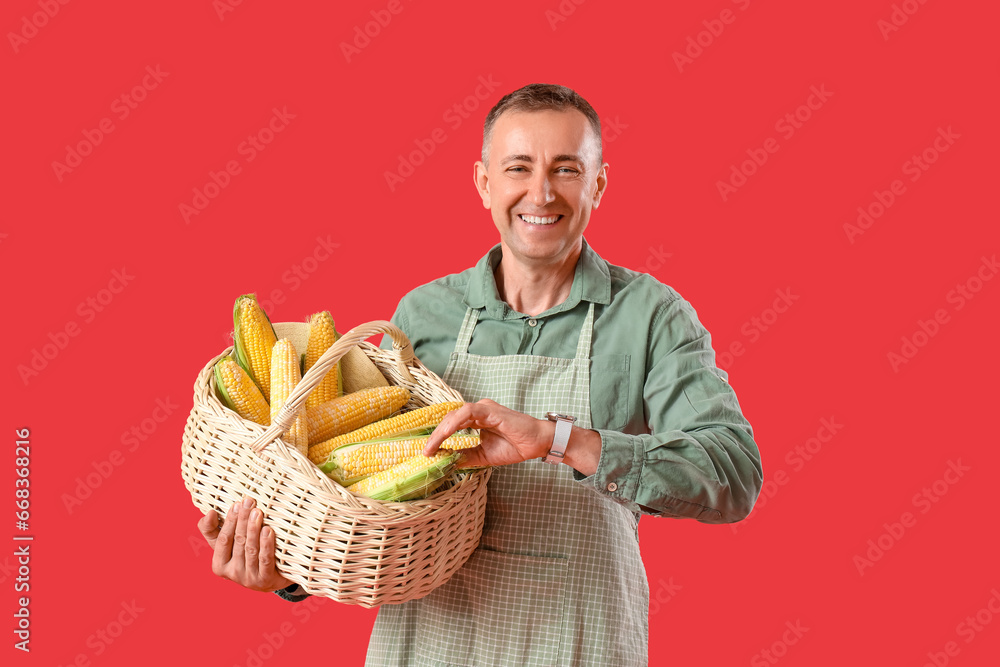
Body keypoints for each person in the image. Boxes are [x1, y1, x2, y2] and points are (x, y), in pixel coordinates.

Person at [198, 83, 763, 666]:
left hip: (581, 647)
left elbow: (733, 474)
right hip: (430, 648)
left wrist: (558, 440)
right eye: (518, 167)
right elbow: (349, 496)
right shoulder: (421, 318)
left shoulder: (651, 316)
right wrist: (283, 570)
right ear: (484, 182)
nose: (540, 192)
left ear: (598, 182)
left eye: (566, 168)